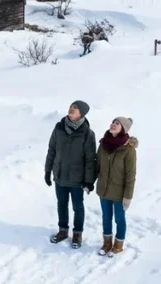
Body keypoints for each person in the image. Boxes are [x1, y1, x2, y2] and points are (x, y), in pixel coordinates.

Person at [45, 100, 97, 248]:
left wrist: (88, 181)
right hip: (60, 175)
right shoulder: (59, 127)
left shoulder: (87, 133)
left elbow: (90, 159)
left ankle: (77, 234)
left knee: (77, 207)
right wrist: (48, 170)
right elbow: (51, 150)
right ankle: (62, 231)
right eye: (71, 107)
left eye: (75, 108)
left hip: (77, 179)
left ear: (82, 113)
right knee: (61, 204)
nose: (71, 109)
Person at [94, 116, 138, 256]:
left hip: (120, 192)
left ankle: (118, 245)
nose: (113, 124)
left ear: (123, 129)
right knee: (106, 217)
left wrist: (128, 196)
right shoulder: (103, 144)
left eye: (117, 123)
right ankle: (107, 244)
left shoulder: (129, 150)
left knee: (119, 218)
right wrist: (88, 182)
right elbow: (97, 166)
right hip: (104, 189)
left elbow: (131, 174)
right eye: (113, 122)